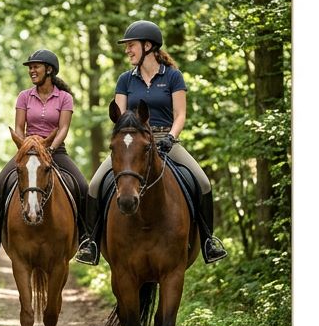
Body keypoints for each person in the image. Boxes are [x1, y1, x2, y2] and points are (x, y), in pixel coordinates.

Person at [77, 21, 227, 266]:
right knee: (94, 185)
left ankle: (209, 241)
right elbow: (120, 116)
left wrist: (170, 137)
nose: (127, 50)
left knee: (202, 181)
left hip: (166, 140)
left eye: (131, 45)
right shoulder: (125, 79)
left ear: (148, 46)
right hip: (133, 143)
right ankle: (91, 243)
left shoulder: (172, 76)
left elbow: (180, 114)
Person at [0, 49, 87, 254]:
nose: (32, 71)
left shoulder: (64, 97)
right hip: (28, 150)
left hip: (55, 150)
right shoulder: (24, 97)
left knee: (82, 186)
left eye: (35, 67)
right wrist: (24, 145)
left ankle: (85, 238)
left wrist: (51, 149)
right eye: (30, 68)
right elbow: (19, 126)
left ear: (49, 70)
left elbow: (63, 128)